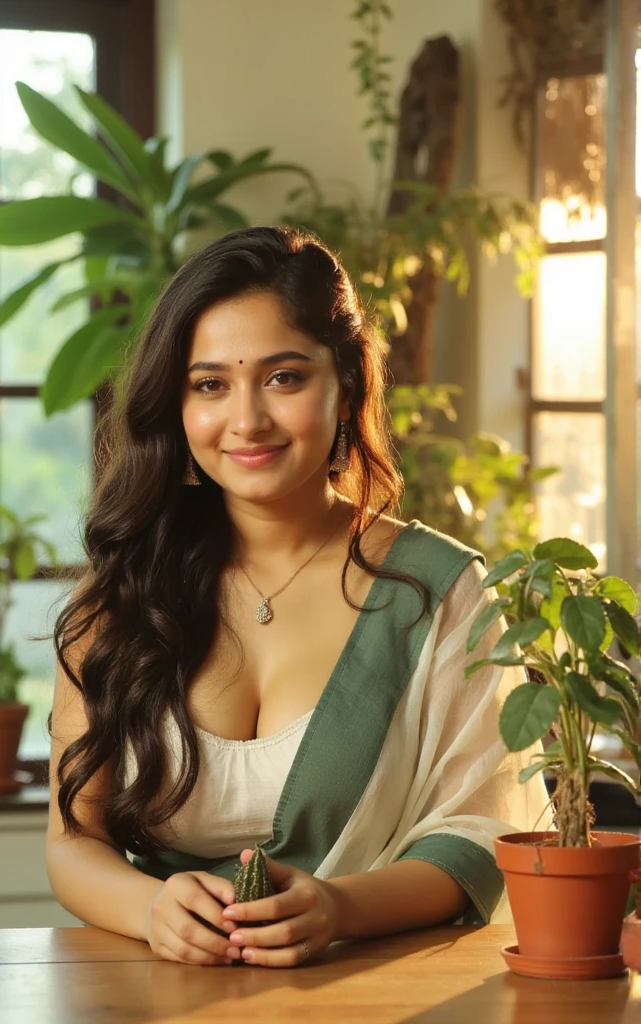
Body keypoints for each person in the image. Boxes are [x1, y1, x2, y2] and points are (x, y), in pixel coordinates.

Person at [46, 226, 549, 969]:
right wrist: (153, 908)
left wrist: (340, 906)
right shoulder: (121, 594)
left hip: (369, 992)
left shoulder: (438, 590)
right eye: (210, 384)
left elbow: (485, 830)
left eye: (284, 378)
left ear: (345, 384)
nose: (246, 420)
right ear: (176, 405)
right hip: (153, 995)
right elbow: (73, 844)